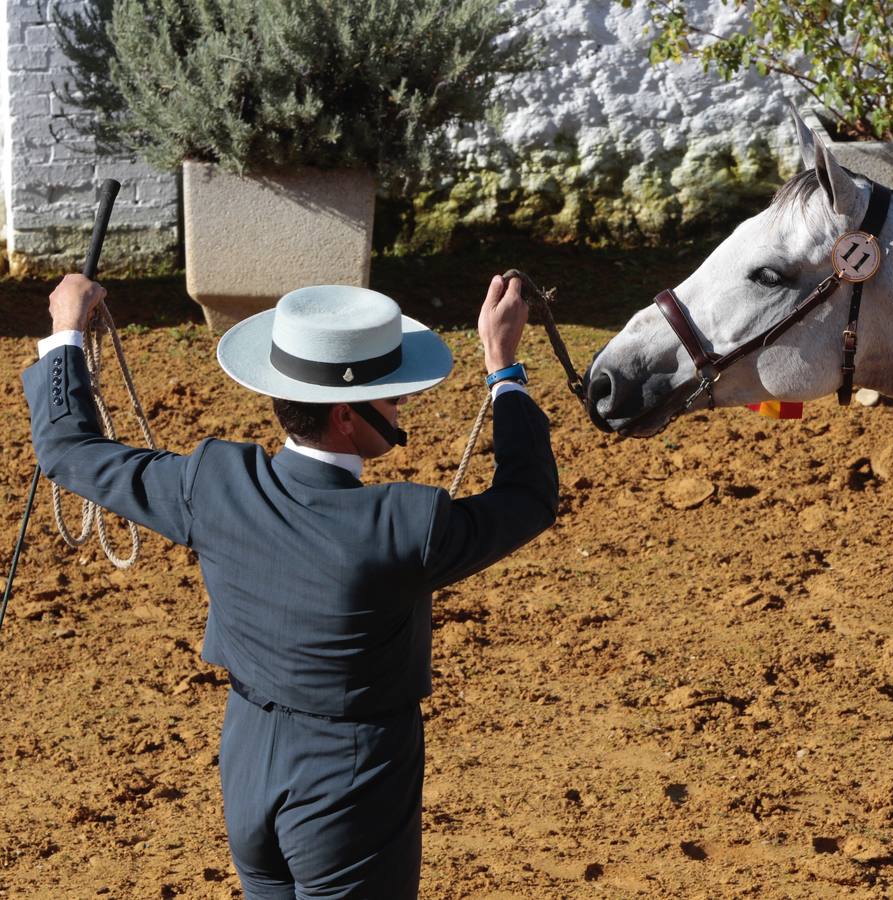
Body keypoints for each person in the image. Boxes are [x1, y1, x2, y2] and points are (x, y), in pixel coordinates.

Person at [22, 274, 559, 898]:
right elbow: (528, 497)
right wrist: (504, 369)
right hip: (352, 782)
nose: (399, 407)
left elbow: (68, 448)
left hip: (248, 759)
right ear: (345, 417)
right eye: (389, 398)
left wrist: (65, 330)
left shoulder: (211, 486)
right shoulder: (410, 523)